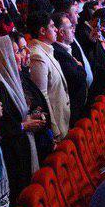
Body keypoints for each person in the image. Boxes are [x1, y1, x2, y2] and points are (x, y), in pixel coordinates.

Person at [0, 35, 50, 201]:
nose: (20, 56)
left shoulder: (12, 79)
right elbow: (0, 125)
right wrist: (22, 125)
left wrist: (31, 116)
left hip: (23, 148)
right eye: (15, 52)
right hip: (12, 155)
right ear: (2, 56)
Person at [27, 11, 72, 142]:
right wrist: (54, 129)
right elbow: (42, 95)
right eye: (52, 26)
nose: (56, 30)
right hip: (57, 123)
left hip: (62, 116)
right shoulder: (37, 55)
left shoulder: (47, 49)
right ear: (42, 30)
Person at [51, 11, 88, 124]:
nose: (73, 30)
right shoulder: (58, 52)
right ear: (61, 32)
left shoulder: (66, 48)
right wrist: (81, 68)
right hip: (73, 109)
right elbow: (76, 78)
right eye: (70, 27)